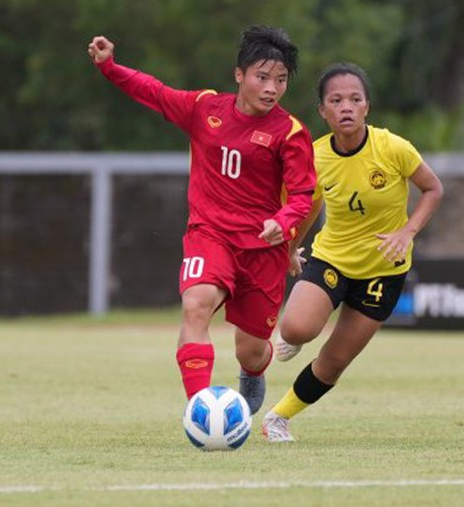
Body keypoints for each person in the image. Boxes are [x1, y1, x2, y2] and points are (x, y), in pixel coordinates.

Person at [87, 26, 316, 414]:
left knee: (253, 350)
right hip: (209, 234)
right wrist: (110, 66)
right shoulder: (205, 108)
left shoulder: (291, 133)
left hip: (263, 248)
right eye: (262, 77)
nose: (271, 88)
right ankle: (201, 412)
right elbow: (155, 93)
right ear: (239, 75)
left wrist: (284, 220)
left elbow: (302, 195)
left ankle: (253, 372)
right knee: (196, 306)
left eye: (280, 81)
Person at [261, 63, 444, 441]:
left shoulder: (393, 148)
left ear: (367, 107)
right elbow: (306, 206)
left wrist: (408, 231)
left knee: (334, 362)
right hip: (332, 259)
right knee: (297, 328)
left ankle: (277, 418)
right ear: (323, 111)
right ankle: (294, 336)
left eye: (355, 99)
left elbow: (433, 189)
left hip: (383, 271)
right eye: (336, 100)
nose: (346, 107)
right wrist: (293, 248)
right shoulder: (313, 156)